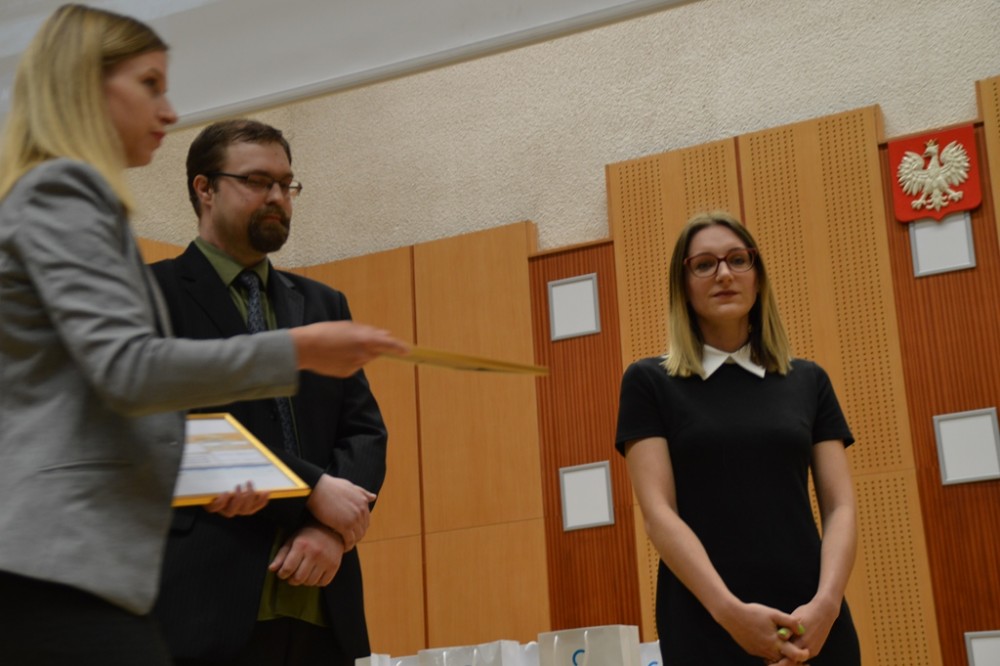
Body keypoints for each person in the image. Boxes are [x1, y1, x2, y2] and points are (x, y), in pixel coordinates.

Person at [0, 6, 406, 665]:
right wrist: (299, 355)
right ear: (86, 85)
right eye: (150, 85)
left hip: (86, 562)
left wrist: (228, 475)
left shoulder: (61, 196)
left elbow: (108, 400)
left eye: (286, 184)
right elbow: (131, 373)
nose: (168, 111)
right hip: (69, 557)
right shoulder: (66, 191)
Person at [149, 119, 387, 666]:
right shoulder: (149, 293)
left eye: (286, 184)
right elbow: (179, 430)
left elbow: (364, 432)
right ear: (204, 188)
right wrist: (311, 491)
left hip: (323, 599)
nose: (278, 197)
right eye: (258, 181)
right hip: (204, 599)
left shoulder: (324, 304)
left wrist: (331, 532)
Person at [615, 211, 860, 665]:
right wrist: (729, 612)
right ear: (683, 286)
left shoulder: (809, 380)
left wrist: (826, 606)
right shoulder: (649, 382)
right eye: (704, 264)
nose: (724, 274)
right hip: (706, 620)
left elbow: (840, 507)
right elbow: (659, 514)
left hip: (811, 619)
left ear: (757, 277)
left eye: (738, 259)